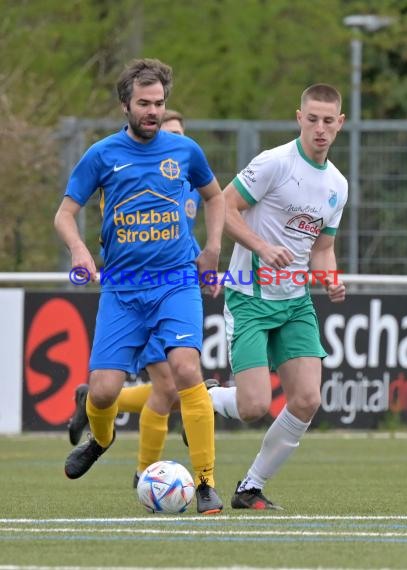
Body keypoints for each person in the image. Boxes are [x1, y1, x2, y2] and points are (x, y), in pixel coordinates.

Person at [55, 58, 225, 514]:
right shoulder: (102, 155)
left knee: (186, 370)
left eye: (159, 103)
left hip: (176, 282)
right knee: (105, 390)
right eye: (144, 103)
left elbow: (214, 196)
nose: (152, 111)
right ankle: (102, 439)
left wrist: (211, 249)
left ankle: (206, 482)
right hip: (123, 290)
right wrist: (79, 251)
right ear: (125, 104)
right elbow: (65, 213)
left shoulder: (184, 152)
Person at [207, 83, 347, 509]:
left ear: (340, 125)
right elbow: (224, 208)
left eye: (328, 121)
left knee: (307, 399)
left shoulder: (338, 185)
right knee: (252, 406)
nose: (319, 129)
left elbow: (322, 249)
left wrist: (331, 278)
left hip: (295, 302)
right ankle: (202, 398)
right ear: (298, 118)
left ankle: (250, 487)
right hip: (250, 296)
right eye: (312, 119)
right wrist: (262, 247)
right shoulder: (274, 163)